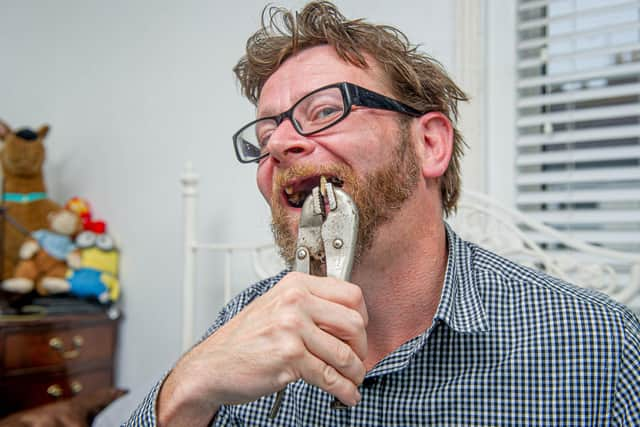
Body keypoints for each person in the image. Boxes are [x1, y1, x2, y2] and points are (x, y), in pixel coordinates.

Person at [127, 2, 640, 426]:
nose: (279, 144)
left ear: (430, 144)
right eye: (264, 136)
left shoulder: (601, 347)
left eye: (324, 111)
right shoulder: (238, 331)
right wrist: (185, 389)